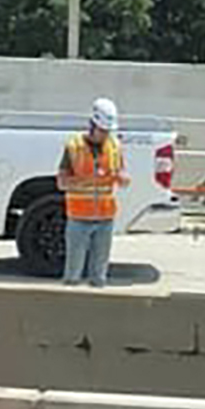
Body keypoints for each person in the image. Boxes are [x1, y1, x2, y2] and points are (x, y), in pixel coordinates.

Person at [57, 98, 130, 287]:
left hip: (105, 218)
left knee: (99, 277)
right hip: (79, 218)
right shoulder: (74, 147)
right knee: (73, 274)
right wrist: (90, 180)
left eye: (108, 131)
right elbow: (61, 182)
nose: (105, 135)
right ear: (92, 125)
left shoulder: (114, 147)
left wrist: (123, 178)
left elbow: (122, 172)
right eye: (102, 131)